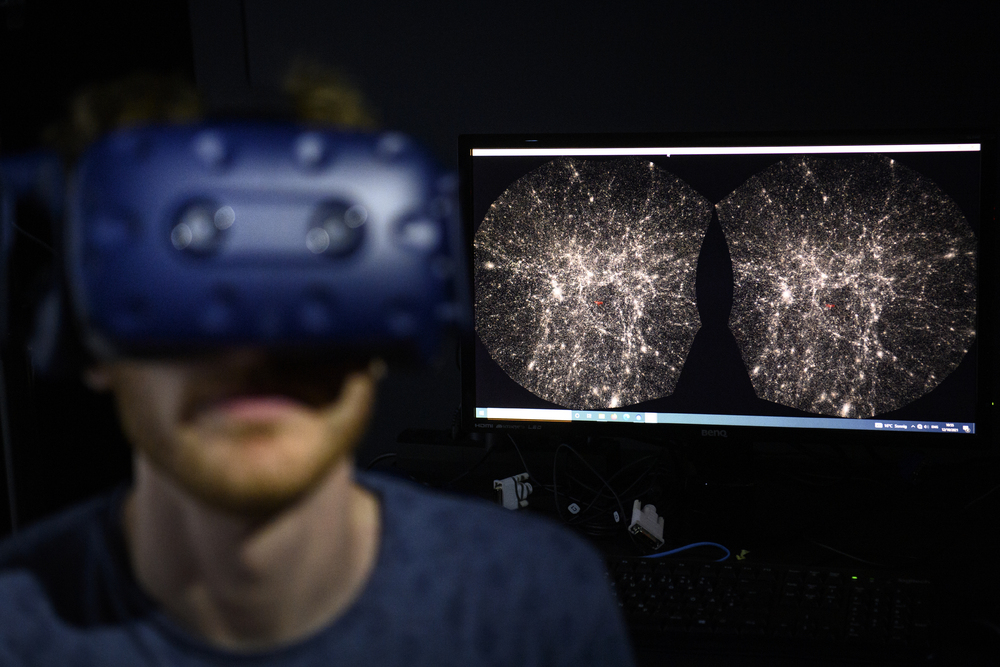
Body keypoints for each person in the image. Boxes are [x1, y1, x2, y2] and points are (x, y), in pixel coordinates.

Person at [0, 70, 636, 665]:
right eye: (180, 290)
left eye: (317, 271)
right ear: (78, 328)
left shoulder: (535, 607)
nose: (256, 344)